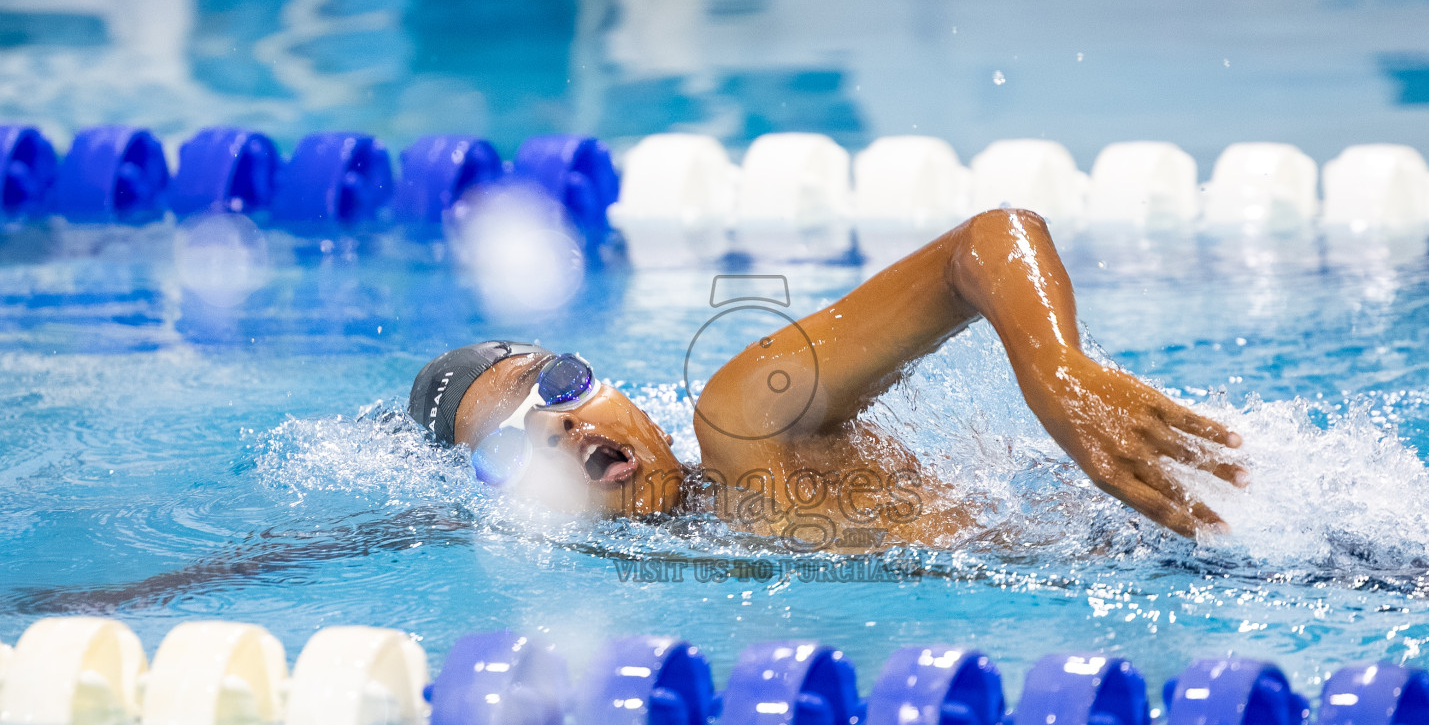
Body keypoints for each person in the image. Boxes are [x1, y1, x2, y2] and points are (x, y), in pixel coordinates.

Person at [409, 209, 1247, 551]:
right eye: (512, 448)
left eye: (559, 384)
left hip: (1231, 545)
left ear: (618, 392)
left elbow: (988, 241)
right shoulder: (699, 544)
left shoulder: (743, 425)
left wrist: (1056, 368)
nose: (557, 427)